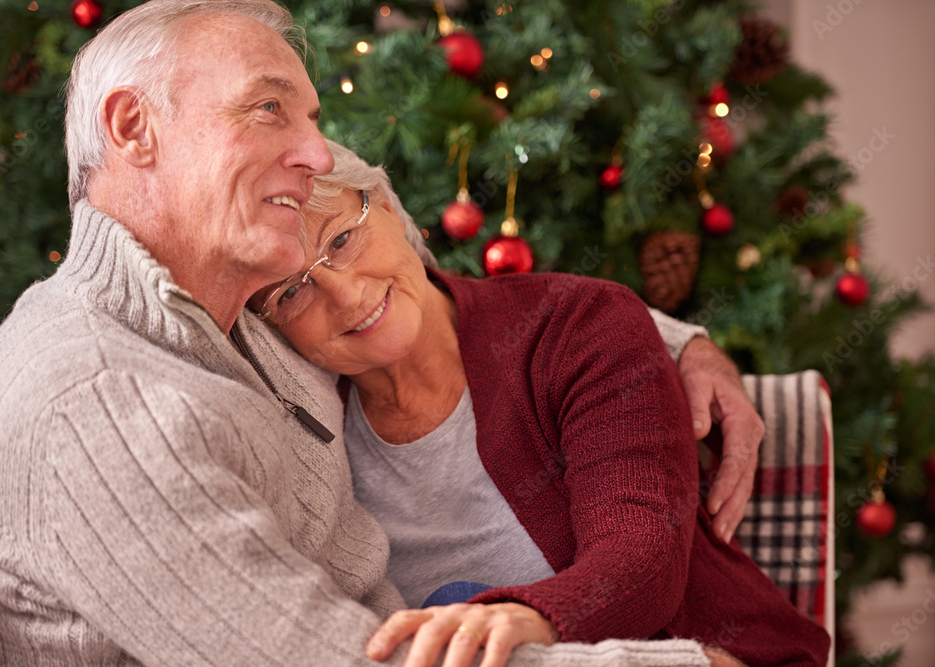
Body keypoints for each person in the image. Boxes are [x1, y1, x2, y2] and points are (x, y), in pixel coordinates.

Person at [0, 1, 742, 665]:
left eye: (310, 119)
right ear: (134, 127)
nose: (315, 153)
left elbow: (454, 299)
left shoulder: (235, 331)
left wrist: (678, 342)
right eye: (267, 108)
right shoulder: (97, 396)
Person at [257, 140, 832, 667]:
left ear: (382, 205)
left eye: (340, 239)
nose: (343, 292)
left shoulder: (575, 325)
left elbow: (643, 556)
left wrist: (521, 620)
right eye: (291, 290)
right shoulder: (298, 423)